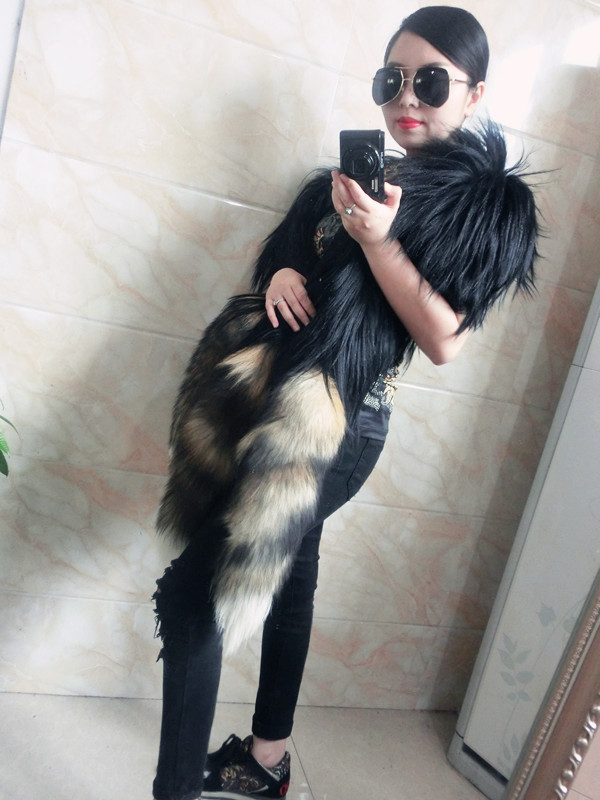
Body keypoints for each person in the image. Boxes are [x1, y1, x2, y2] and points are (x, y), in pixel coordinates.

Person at [151, 7, 538, 800]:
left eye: (432, 82)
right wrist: (283, 274)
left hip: (335, 424)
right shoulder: (342, 185)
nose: (407, 97)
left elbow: (444, 338)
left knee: (194, 591)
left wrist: (379, 239)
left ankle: (174, 789)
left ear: (474, 94)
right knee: (293, 579)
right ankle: (268, 761)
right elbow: (285, 266)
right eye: (391, 79)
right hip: (266, 400)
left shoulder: (483, 205)